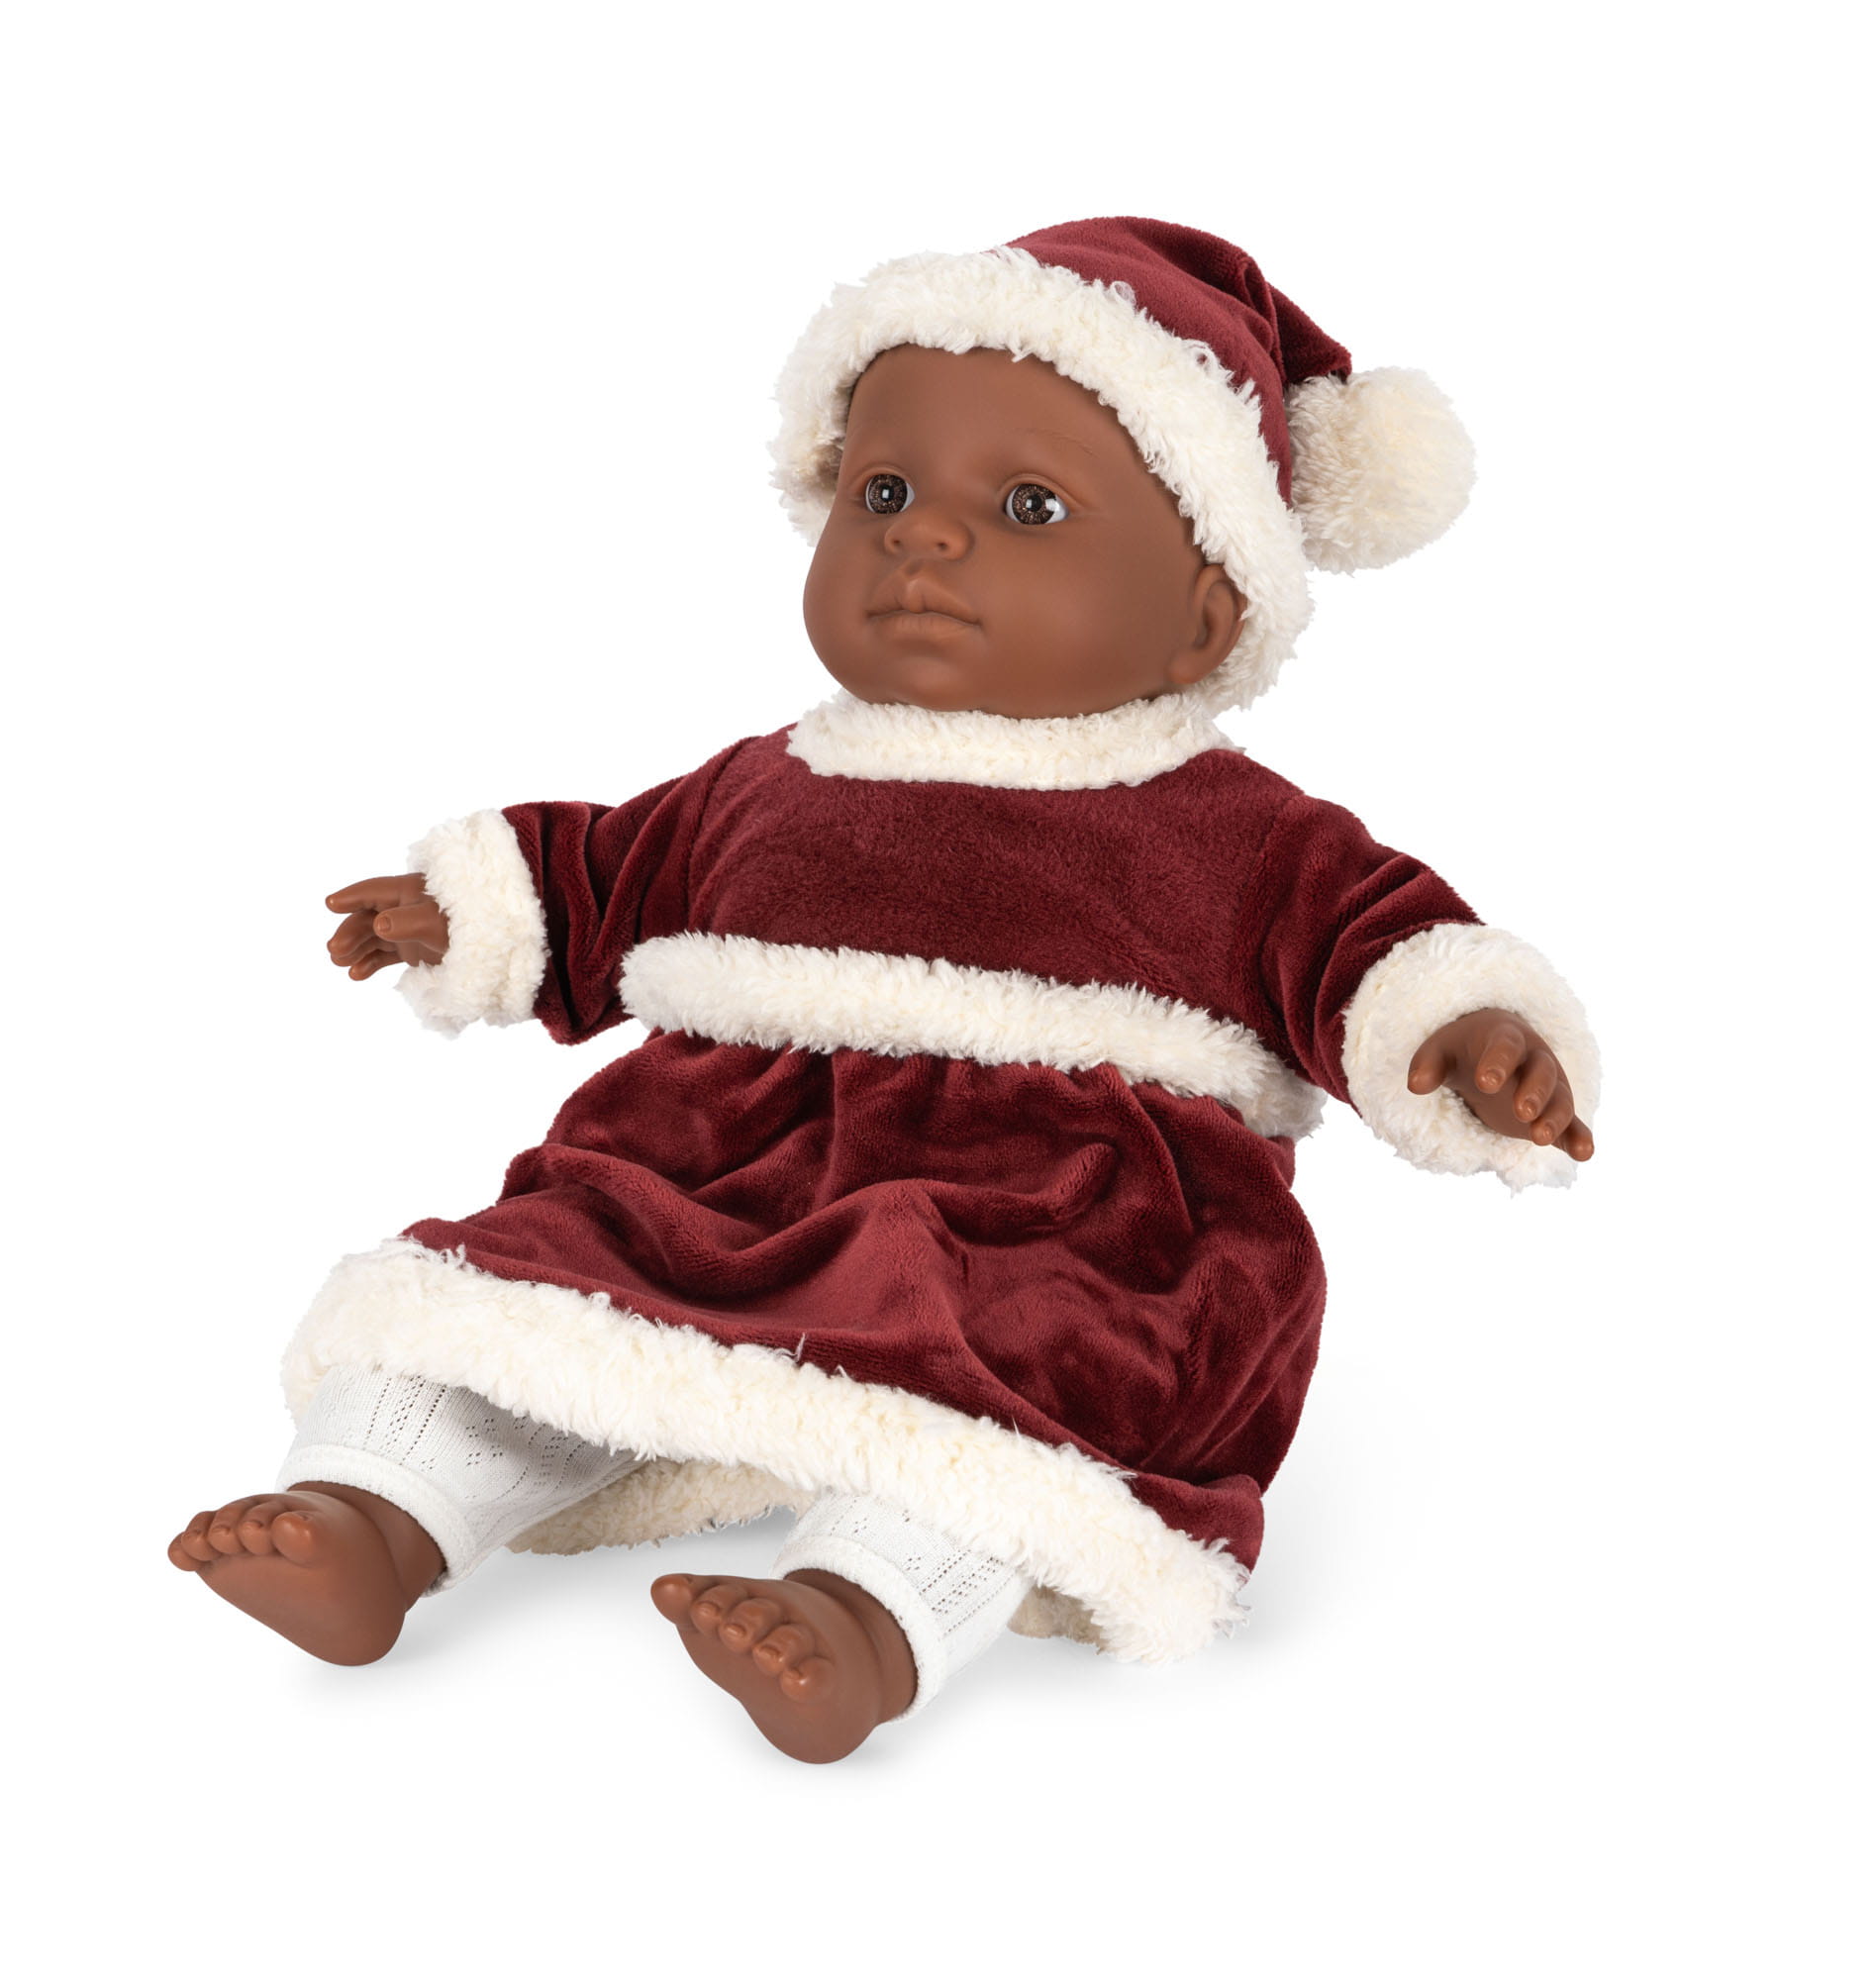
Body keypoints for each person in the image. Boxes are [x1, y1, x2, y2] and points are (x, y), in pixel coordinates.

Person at [168, 217, 1598, 1764]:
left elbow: (1372, 949)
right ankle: (373, 1507)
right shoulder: (771, 781)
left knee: (1028, 1401)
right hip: (715, 1172)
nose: (926, 539)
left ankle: (866, 1612)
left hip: (1067, 1219)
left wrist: (1464, 1031)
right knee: (514, 1286)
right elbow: (603, 876)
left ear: (1207, 616)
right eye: (886, 493)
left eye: (1030, 506)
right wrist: (471, 907)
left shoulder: (1237, 832)